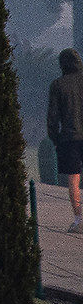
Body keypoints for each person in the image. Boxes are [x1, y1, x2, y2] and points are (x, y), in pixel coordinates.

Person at [51, 47, 83, 233]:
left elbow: (53, 117)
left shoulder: (58, 85)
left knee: (74, 180)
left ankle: (78, 220)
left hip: (70, 138)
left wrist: (55, 139)